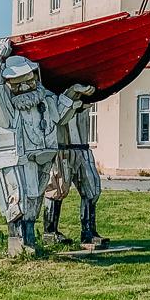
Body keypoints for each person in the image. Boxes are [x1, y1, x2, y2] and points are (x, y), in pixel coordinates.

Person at [0, 38, 93, 255]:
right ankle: (17, 244)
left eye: (28, 81)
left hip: (41, 156)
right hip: (12, 158)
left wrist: (74, 92)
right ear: (9, 84)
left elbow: (60, 115)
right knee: (17, 198)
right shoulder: (5, 106)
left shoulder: (44, 99)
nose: (24, 87)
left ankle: (29, 242)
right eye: (17, 83)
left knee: (34, 200)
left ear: (35, 77)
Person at [42, 101, 108, 248]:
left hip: (83, 147)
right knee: (56, 188)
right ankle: (50, 232)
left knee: (92, 188)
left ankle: (89, 233)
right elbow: (57, 115)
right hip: (61, 148)